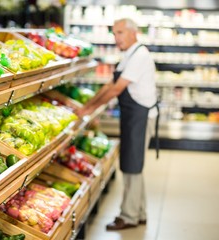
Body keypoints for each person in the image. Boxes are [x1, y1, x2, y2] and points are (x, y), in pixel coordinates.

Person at [75, 18, 159, 230]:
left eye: (120, 32)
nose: (116, 38)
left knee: (132, 166)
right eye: (114, 33)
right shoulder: (129, 54)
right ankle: (139, 212)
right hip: (133, 115)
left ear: (133, 32)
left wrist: (89, 109)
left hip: (140, 116)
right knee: (133, 165)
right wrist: (88, 105)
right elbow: (110, 84)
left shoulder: (139, 55)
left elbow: (115, 90)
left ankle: (128, 216)